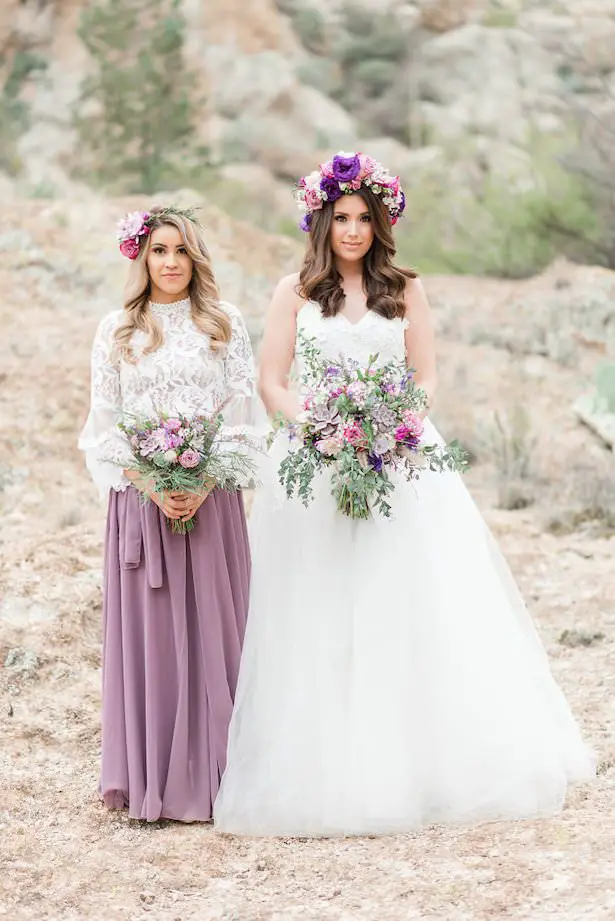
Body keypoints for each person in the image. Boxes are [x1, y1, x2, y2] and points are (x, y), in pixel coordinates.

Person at [214, 152, 594, 837]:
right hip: (315, 462)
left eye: (365, 218)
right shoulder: (292, 293)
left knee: (409, 599)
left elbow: (424, 376)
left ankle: (424, 761)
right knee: (320, 606)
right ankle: (332, 765)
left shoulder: (406, 289)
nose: (353, 230)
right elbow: (273, 382)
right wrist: (322, 427)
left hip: (401, 463)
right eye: (342, 218)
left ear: (381, 222)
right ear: (321, 221)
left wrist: (392, 426)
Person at [79, 205, 266, 822]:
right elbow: (103, 427)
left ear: (196, 257)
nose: (170, 263)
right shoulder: (118, 329)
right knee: (153, 641)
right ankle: (153, 777)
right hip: (141, 505)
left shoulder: (224, 323)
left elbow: (242, 415)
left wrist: (204, 480)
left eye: (181, 251)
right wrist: (154, 484)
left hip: (212, 503)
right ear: (141, 257)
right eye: (159, 251)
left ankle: (220, 776)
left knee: (215, 632)